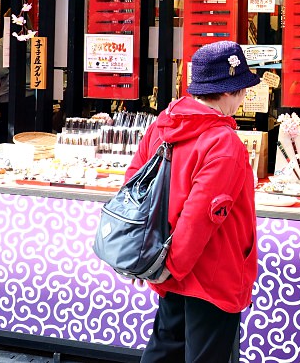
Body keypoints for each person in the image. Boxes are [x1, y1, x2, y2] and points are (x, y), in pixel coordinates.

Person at [126, 41, 260, 362]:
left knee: (164, 351)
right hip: (212, 275)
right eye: (241, 89)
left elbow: (133, 187)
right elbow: (201, 216)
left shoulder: (163, 125)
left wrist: (158, 267)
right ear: (226, 92)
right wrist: (172, 269)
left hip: (166, 266)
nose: (243, 98)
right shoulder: (224, 143)